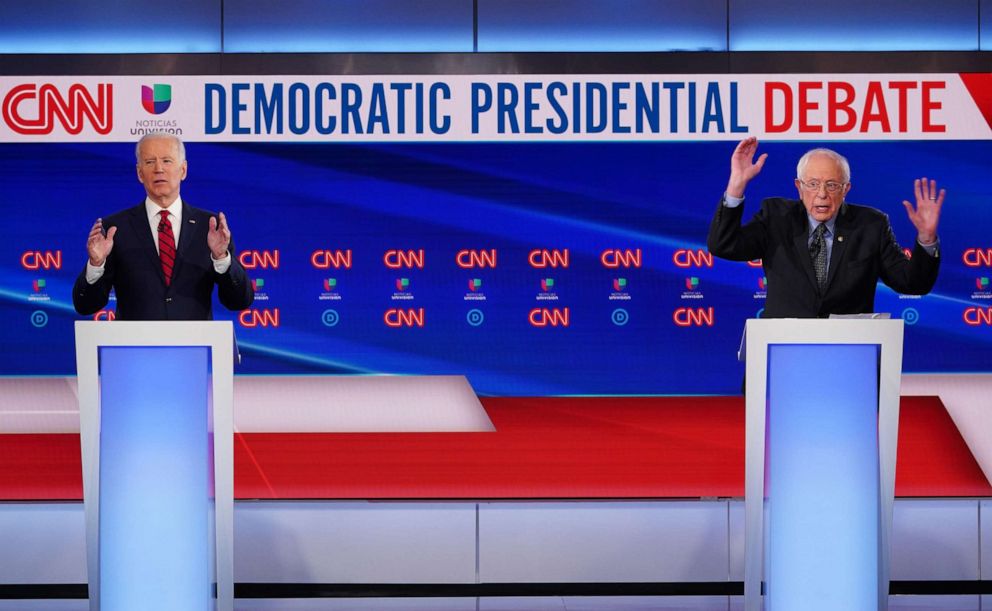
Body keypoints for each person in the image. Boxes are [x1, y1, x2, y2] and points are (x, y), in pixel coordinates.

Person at [707, 137, 943, 318]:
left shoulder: (871, 225)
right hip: (783, 352)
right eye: (812, 184)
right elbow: (723, 245)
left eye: (831, 185)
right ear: (798, 187)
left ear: (846, 189)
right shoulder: (776, 217)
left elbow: (913, 284)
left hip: (846, 356)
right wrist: (736, 185)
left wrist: (926, 238)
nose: (822, 194)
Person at [73, 132, 253, 320]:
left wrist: (222, 258)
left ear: (183, 170)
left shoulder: (209, 227)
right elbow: (85, 306)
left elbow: (239, 301)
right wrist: (96, 264)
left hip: (194, 346)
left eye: (167, 161)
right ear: (140, 173)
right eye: (150, 162)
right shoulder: (115, 229)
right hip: (134, 347)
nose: (159, 169)